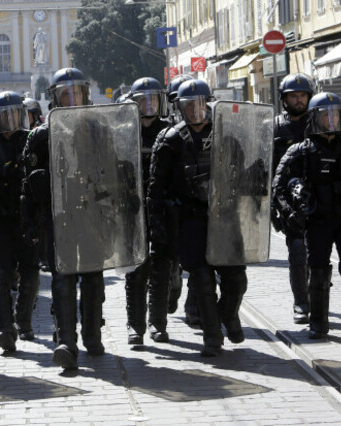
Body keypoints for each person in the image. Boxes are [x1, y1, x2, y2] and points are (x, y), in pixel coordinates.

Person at [148, 79, 248, 357]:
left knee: (237, 278)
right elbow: (156, 189)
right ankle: (212, 337)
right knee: (202, 279)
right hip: (190, 219)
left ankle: (227, 315)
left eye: (201, 104)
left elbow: (239, 172)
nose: (196, 110)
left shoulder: (226, 134)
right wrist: (158, 224)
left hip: (224, 217)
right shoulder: (170, 140)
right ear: (180, 107)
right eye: (189, 105)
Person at [273, 92, 341, 348]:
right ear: (314, 119)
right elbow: (279, 187)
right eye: (324, 116)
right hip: (317, 222)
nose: (330, 121)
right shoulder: (301, 151)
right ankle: (318, 323)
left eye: (335, 115)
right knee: (318, 270)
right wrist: (289, 214)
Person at [22, 67, 105, 369]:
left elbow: (110, 172)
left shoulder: (97, 129)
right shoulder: (41, 136)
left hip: (92, 216)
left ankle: (93, 334)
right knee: (63, 280)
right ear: (55, 99)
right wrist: (31, 225)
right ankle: (66, 340)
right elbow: (27, 186)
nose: (72, 99)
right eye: (65, 94)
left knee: (94, 278)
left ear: (85, 94)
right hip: (59, 219)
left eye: (77, 93)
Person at [0, 91, 40, 352]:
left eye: (13, 115)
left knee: (30, 271)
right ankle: (5, 328)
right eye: (3, 116)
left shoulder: (32, 141)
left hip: (26, 216)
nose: (9, 121)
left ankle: (24, 321)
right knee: (0, 276)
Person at [122, 77, 171, 345]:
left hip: (162, 210)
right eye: (143, 100)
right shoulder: (124, 131)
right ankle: (136, 326)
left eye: (153, 99)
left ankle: (158, 324)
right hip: (133, 210)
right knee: (136, 270)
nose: (149, 105)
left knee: (162, 268)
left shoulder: (169, 132)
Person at [273, 73, 314, 324]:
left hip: (318, 197)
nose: (298, 101)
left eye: (302, 96)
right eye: (293, 96)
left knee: (317, 253)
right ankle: (301, 303)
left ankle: (316, 295)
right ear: (284, 99)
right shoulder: (275, 126)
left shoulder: (319, 121)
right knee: (297, 251)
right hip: (288, 199)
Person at [163, 74, 198, 324]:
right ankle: (172, 288)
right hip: (173, 206)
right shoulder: (166, 132)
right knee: (172, 258)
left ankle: (194, 307)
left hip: (199, 205)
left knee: (200, 263)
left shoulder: (206, 127)